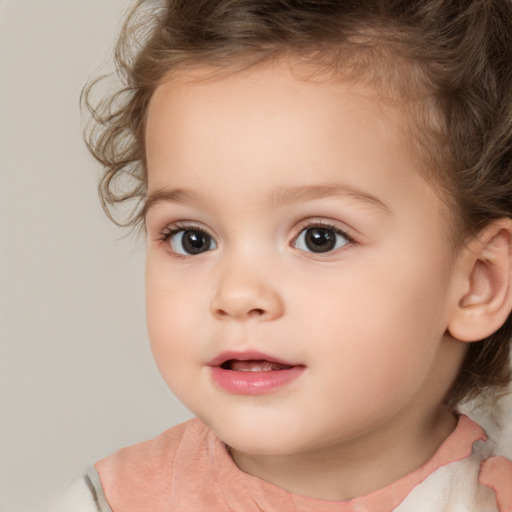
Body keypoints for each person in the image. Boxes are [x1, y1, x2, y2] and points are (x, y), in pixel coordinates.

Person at [53, 0, 512, 510]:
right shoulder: (111, 503)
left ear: (478, 282)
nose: (237, 293)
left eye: (320, 237)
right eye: (192, 238)